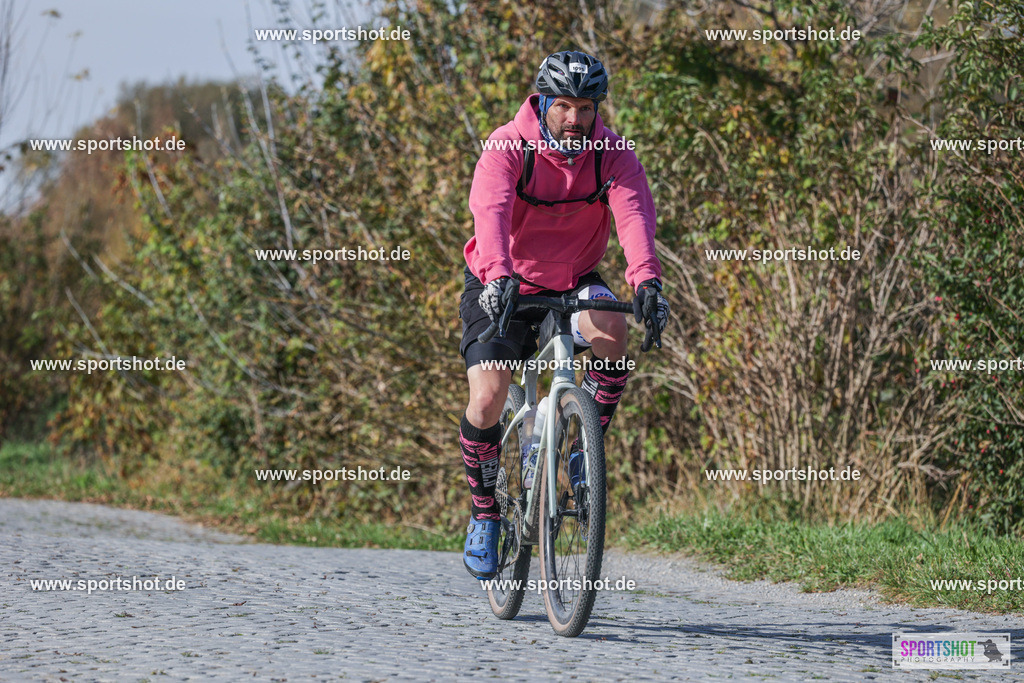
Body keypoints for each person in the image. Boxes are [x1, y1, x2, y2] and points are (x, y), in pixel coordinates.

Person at [457, 50, 669, 579]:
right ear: (543, 102)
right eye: (565, 107)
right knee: (487, 399)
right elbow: (491, 208)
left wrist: (646, 281)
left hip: (574, 281)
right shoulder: (507, 146)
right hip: (500, 281)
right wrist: (500, 274)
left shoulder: (612, 153)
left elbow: (635, 212)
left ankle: (582, 449)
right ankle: (485, 514)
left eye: (587, 107)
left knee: (613, 327)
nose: (576, 119)